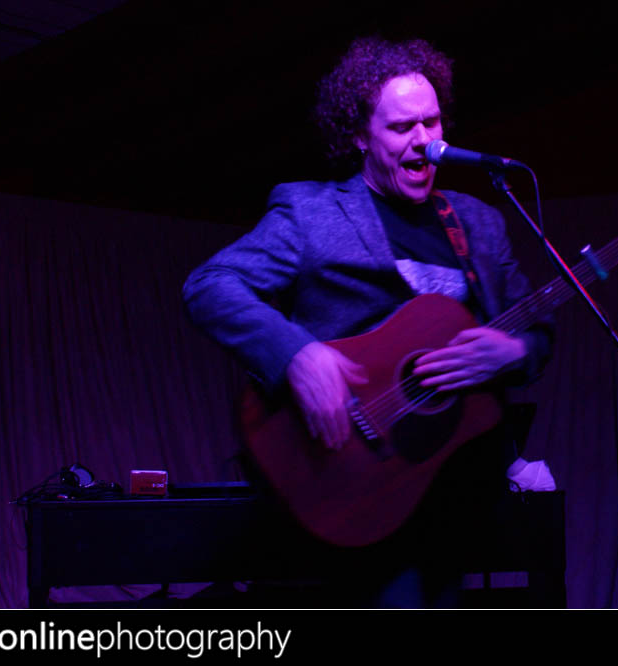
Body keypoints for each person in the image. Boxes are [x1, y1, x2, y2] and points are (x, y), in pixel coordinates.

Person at [183, 36, 553, 607]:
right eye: (402, 127)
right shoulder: (311, 214)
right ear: (360, 136)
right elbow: (211, 284)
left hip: (455, 489)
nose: (424, 141)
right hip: (355, 482)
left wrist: (516, 353)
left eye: (432, 122)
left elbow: (535, 330)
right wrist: (297, 355)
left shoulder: (478, 222)